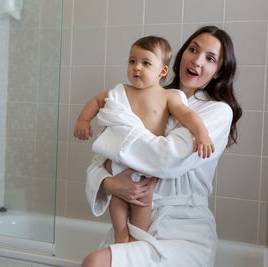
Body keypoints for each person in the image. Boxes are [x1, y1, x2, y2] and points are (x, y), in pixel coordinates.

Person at [82, 25, 242, 267]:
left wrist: (117, 147)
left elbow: (166, 159)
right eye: (193, 49)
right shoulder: (143, 94)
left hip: (181, 228)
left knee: (96, 262)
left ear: (218, 72)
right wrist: (110, 183)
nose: (197, 61)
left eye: (210, 59)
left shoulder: (217, 111)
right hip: (128, 219)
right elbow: (100, 157)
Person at [73, 36, 215, 244]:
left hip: (144, 166)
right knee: (118, 203)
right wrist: (83, 120)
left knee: (142, 203)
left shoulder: (168, 97)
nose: (137, 68)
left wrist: (202, 134)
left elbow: (187, 115)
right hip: (120, 161)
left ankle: (137, 237)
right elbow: (96, 101)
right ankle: (121, 236)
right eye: (132, 61)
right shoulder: (121, 91)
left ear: (162, 71)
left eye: (145, 63)